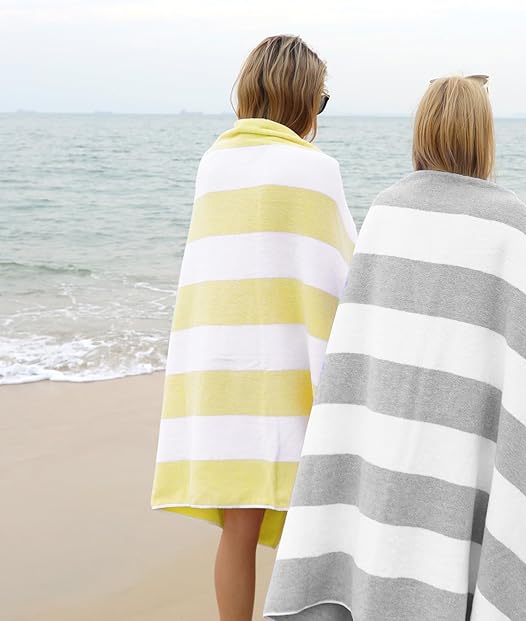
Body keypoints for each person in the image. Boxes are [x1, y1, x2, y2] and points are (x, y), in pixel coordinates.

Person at [265, 75, 526, 621]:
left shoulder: (388, 209)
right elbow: (521, 371)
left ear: (423, 131)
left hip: (385, 438)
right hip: (461, 444)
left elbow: (356, 358)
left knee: (380, 550)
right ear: (483, 135)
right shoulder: (508, 221)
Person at [150, 34, 356, 621]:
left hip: (223, 372)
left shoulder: (213, 165)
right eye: (320, 100)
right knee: (311, 527)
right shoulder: (316, 169)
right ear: (304, 99)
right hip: (292, 371)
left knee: (237, 533)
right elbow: (342, 273)